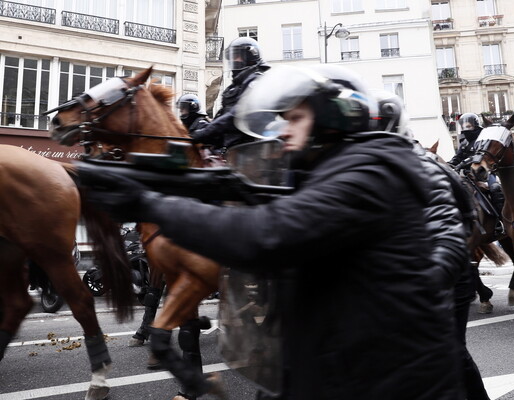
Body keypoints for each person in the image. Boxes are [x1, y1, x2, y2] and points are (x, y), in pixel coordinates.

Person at [82, 64, 461, 399]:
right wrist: (202, 185)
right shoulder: (334, 170)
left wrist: (151, 203)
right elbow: (273, 199)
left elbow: (266, 235)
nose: (281, 131)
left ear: (334, 114)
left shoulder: (370, 173)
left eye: (294, 119)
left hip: (386, 377)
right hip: (335, 363)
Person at [373, 90, 490, 400]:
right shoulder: (378, 164)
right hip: (415, 277)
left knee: (450, 349)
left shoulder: (422, 163)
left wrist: (432, 270)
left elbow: (459, 219)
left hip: (446, 277)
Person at [190, 37, 270, 152]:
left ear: (250, 56)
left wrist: (206, 132)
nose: (234, 61)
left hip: (252, 150)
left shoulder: (257, 81)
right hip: (232, 150)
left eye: (237, 56)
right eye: (232, 57)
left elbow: (239, 113)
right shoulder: (236, 86)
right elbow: (222, 117)